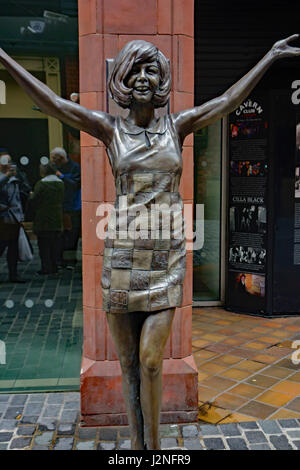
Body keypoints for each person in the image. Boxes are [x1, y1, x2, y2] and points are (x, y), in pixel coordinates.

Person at [0, 35, 299, 450]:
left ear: (161, 81)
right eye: (134, 70)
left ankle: (154, 452)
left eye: (151, 70)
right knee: (127, 364)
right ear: (122, 78)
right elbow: (54, 103)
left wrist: (269, 57)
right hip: (122, 258)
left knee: (151, 361)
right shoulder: (110, 129)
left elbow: (228, 99)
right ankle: (139, 448)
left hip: (165, 259)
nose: (143, 78)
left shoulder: (177, 127)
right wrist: (4, 60)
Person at [27, 162, 64, 275]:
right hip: (57, 217)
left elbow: (34, 199)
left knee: (44, 245)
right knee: (54, 244)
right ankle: (54, 266)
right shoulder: (60, 183)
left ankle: (46, 267)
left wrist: (31, 195)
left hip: (43, 218)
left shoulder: (41, 184)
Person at [49, 147, 81, 270]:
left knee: (72, 235)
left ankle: (70, 261)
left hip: (73, 207)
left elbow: (75, 184)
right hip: (60, 206)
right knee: (61, 236)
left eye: (54, 159)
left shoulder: (75, 168)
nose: (53, 161)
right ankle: (61, 260)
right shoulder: (55, 167)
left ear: (61, 158)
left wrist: (62, 177)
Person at [0, 153, 25, 283]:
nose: (8, 164)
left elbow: (21, 194)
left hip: (14, 217)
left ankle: (13, 274)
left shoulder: (15, 177)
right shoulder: (3, 178)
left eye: (10, 161)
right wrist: (6, 177)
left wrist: (17, 176)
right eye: (5, 161)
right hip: (2, 218)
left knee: (13, 247)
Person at [0, 148, 32, 212]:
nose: (6, 164)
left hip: (15, 214)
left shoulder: (16, 175)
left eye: (9, 161)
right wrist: (7, 176)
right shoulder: (6, 176)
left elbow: (23, 190)